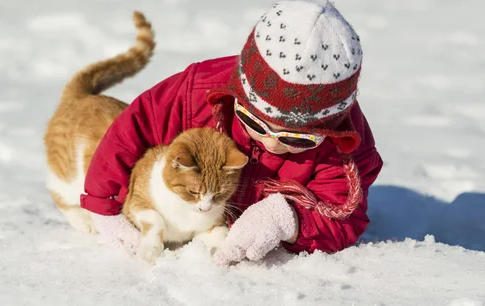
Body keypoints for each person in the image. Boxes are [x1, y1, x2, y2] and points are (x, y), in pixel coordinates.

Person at [80, 0, 383, 265]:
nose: (271, 143)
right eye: (255, 124)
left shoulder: (345, 150)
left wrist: (288, 220)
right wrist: (102, 204)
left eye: (297, 139)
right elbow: (129, 131)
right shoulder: (196, 90)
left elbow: (345, 217)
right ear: (239, 94)